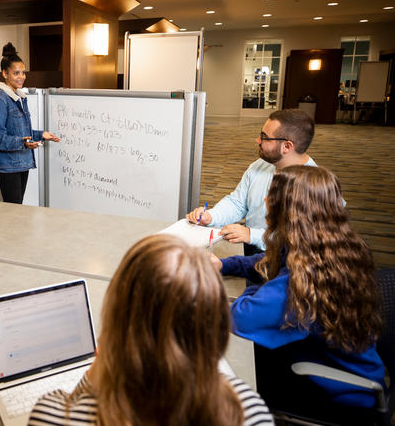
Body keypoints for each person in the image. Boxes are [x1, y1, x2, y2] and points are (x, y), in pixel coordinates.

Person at [28, 234, 273, 426]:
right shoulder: (249, 409)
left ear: (116, 316)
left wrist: (99, 367)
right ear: (211, 323)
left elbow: (74, 403)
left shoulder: (52, 415)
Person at [212, 166, 384, 415]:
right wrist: (226, 264)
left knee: (221, 368)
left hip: (337, 392)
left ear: (289, 211)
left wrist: (257, 289)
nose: (264, 201)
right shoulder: (332, 245)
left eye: (271, 196)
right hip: (343, 363)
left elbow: (240, 317)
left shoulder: (302, 281)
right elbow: (267, 261)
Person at [187, 108, 316, 255]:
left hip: (286, 260)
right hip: (251, 246)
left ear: (287, 146)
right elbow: (238, 203)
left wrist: (252, 235)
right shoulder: (260, 166)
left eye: (264, 137)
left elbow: (301, 239)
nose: (257, 140)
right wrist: (211, 216)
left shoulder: (316, 185)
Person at [0, 42, 60, 204]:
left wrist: (41, 135)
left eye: (23, 72)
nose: (22, 77)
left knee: (16, 210)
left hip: (20, 163)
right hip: (8, 166)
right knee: (13, 213)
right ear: (4, 73)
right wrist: (23, 143)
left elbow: (18, 131)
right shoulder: (0, 100)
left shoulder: (18, 98)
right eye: (16, 73)